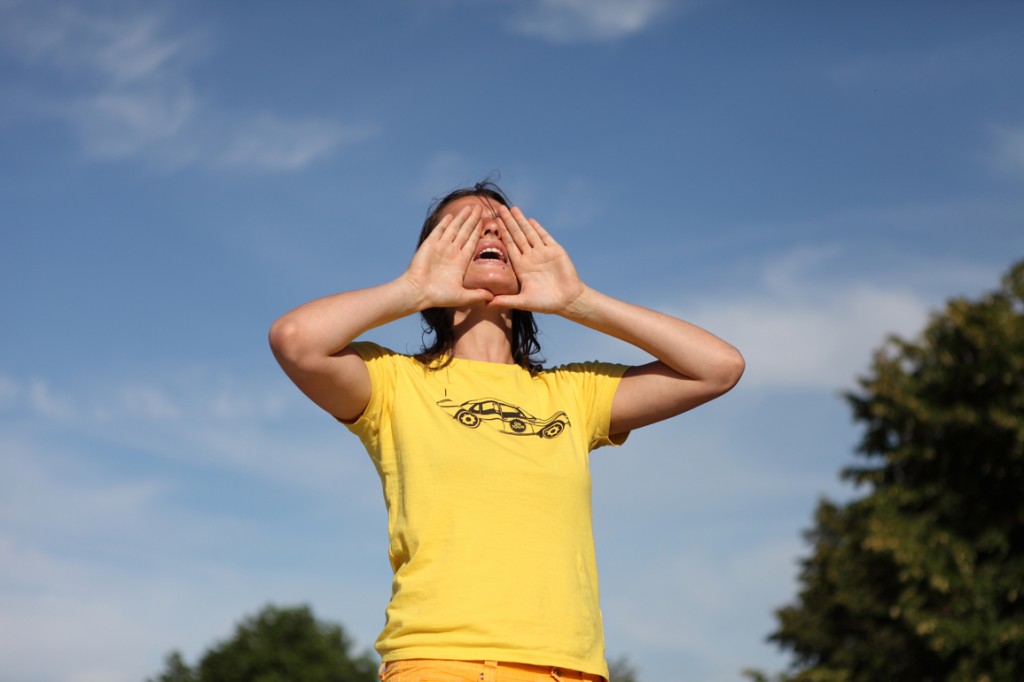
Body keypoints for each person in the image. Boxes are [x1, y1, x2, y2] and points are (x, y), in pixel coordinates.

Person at [269, 181, 744, 682]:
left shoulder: (573, 393)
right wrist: (413, 289)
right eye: (465, 226)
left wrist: (578, 300)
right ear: (434, 252)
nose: (490, 227)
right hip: (443, 661)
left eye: (503, 224)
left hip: (571, 669)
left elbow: (718, 367)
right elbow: (296, 339)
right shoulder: (394, 383)